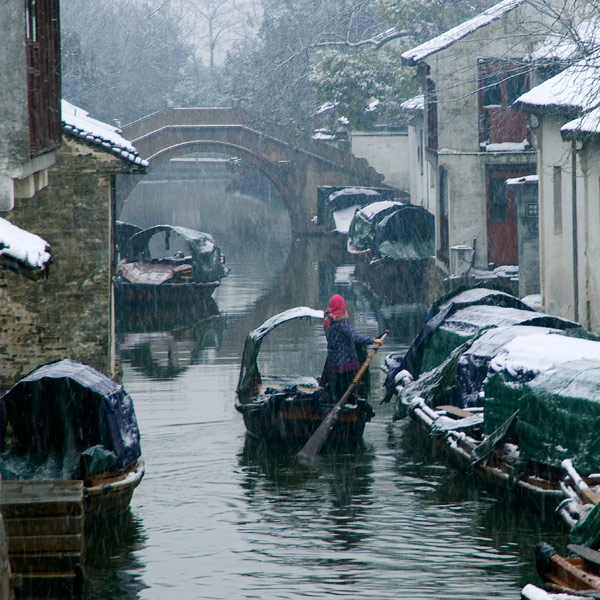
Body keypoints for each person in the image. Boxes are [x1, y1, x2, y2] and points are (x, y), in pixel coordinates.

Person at [322, 294, 382, 402]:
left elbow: (340, 339)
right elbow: (354, 337)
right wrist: (372, 340)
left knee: (338, 387)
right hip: (346, 362)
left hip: (334, 362)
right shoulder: (341, 321)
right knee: (347, 388)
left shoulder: (327, 320)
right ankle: (347, 403)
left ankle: (336, 399)